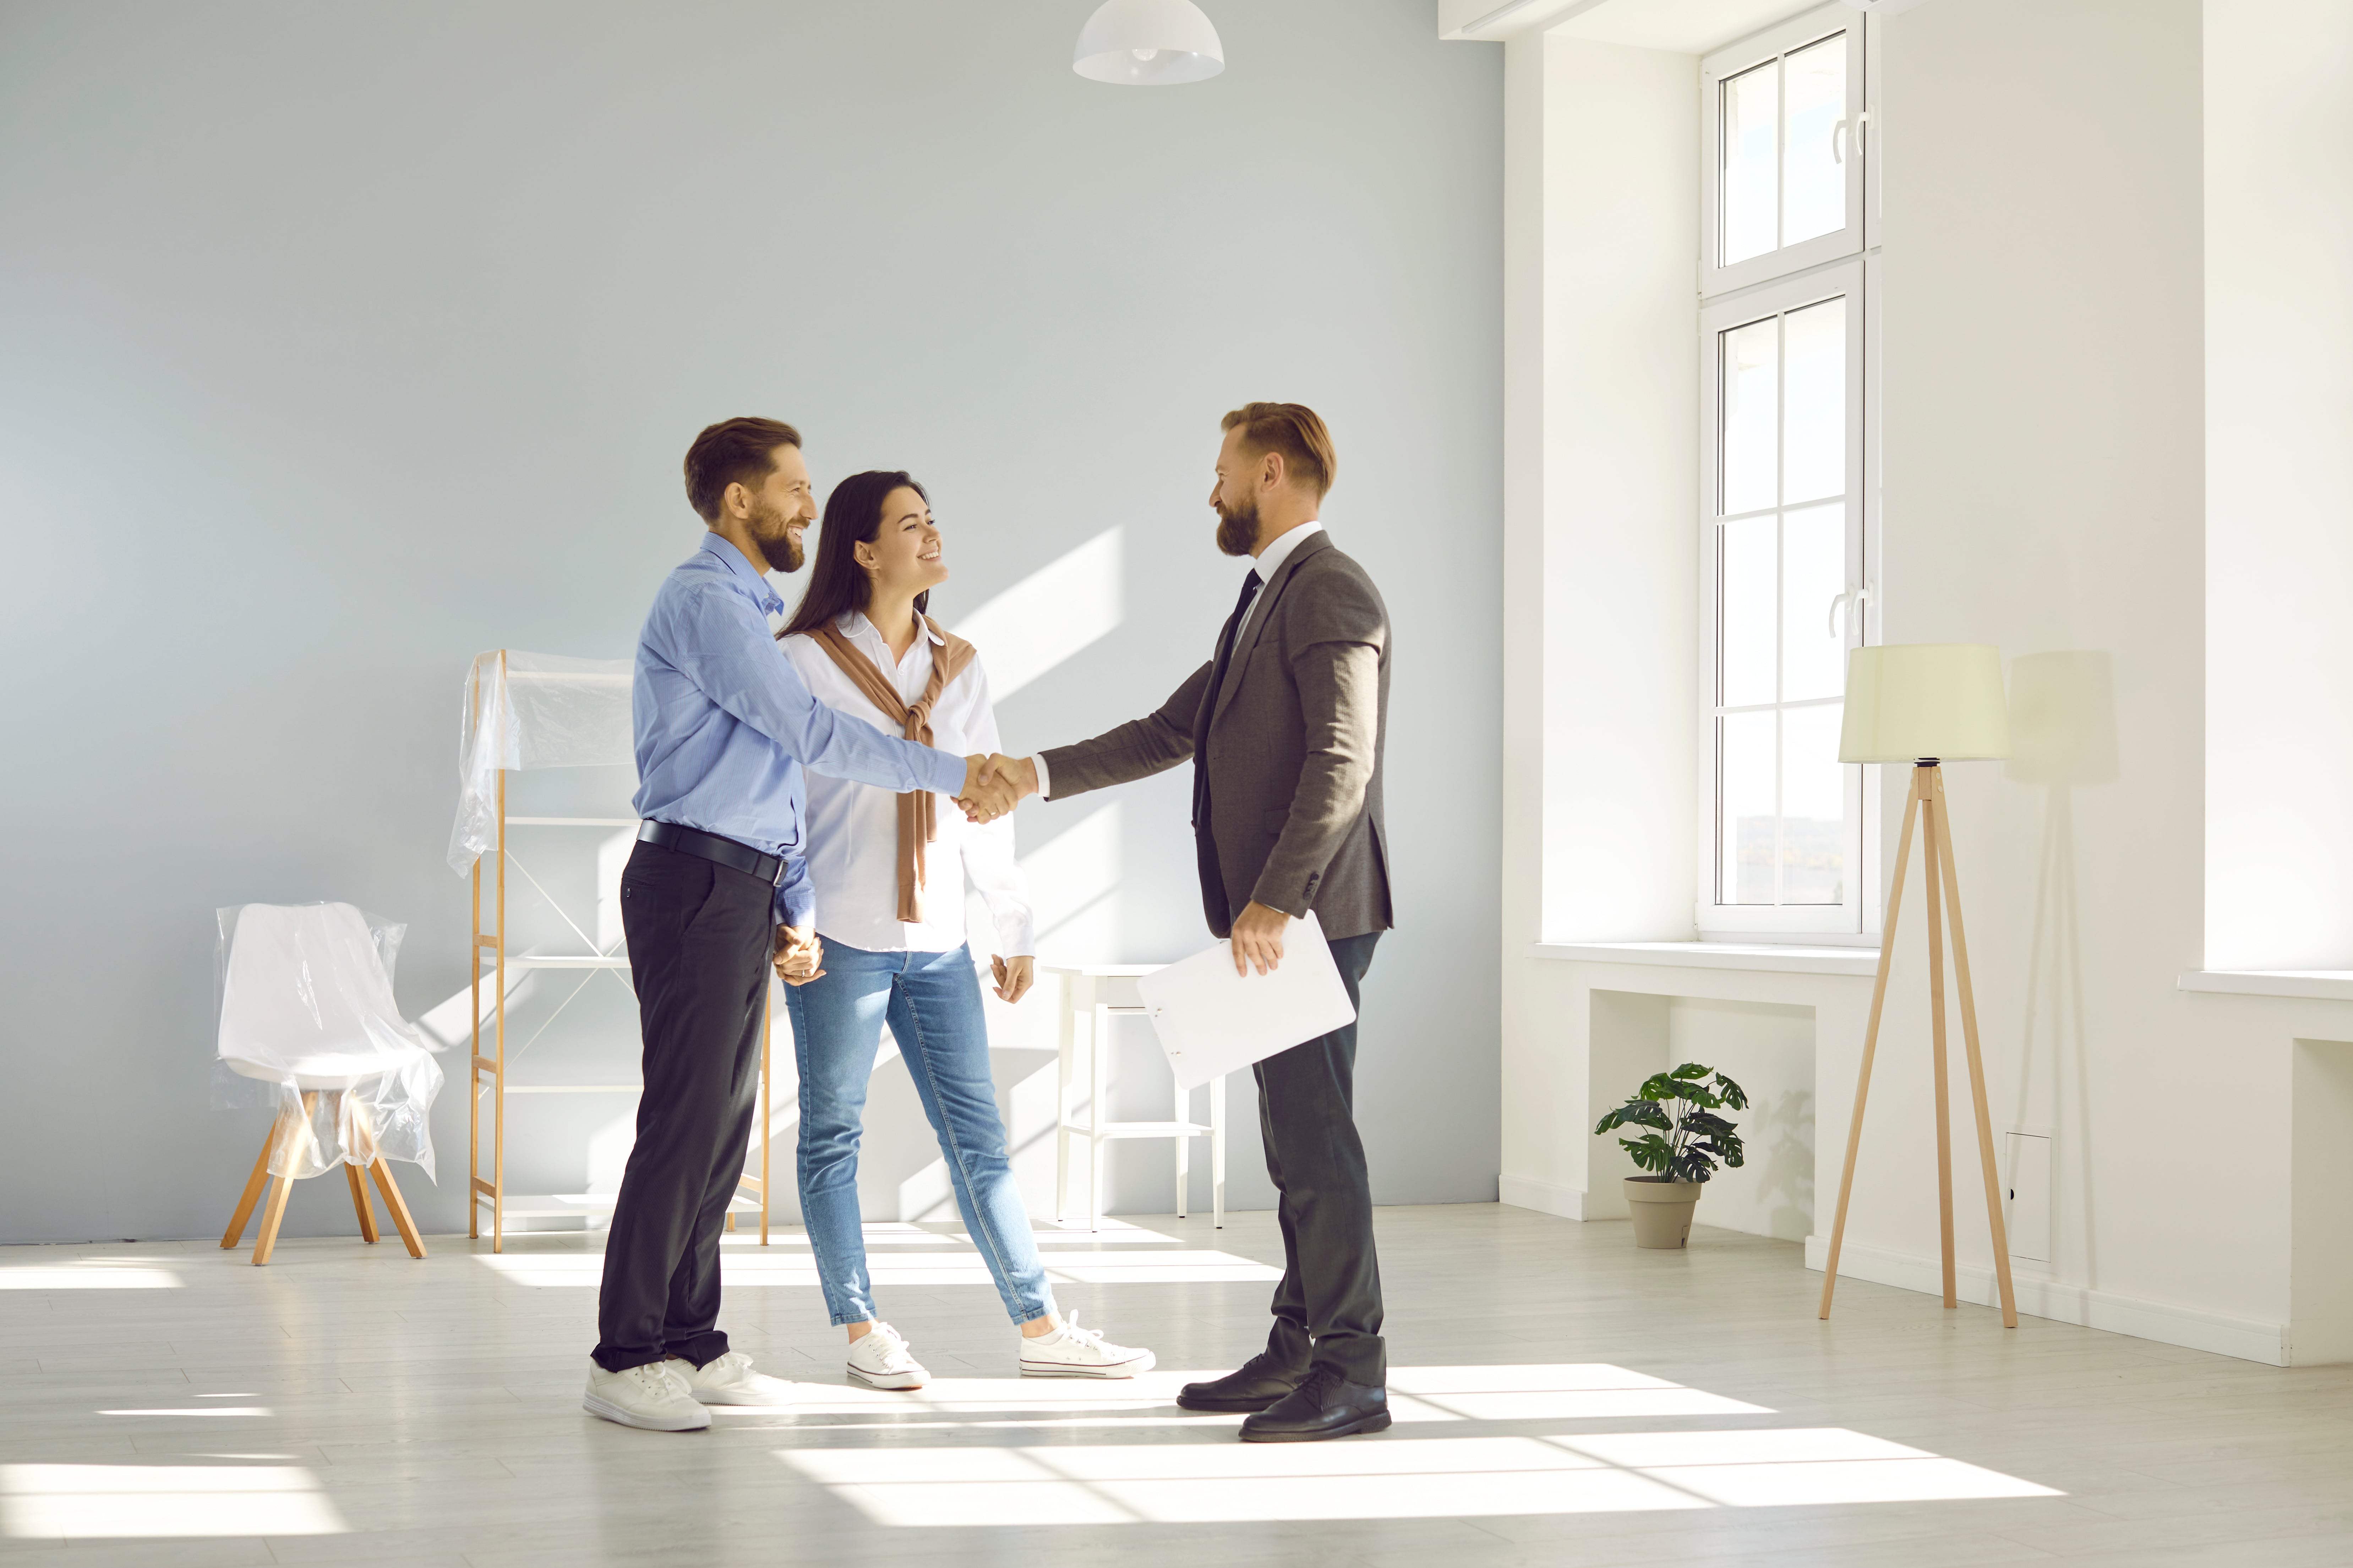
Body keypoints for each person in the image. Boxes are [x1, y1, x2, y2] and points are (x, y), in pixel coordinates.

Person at [584, 419, 1016, 1433]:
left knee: (724, 1127)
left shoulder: (743, 604)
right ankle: (623, 1353)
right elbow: (807, 734)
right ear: (739, 501)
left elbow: (772, 783)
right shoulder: (707, 602)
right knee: (684, 1123)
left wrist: (791, 902)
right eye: (794, 489)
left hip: (737, 883)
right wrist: (957, 774)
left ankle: (692, 1339)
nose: (807, 509)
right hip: (690, 877)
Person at [984, 402, 1393, 1443]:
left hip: (1307, 915)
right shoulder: (1266, 600)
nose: (1210, 491)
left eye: (1220, 472)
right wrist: (1029, 775)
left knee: (1315, 1143)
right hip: (1277, 918)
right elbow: (1172, 729)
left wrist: (1276, 896)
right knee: (1291, 1139)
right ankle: (1299, 1347)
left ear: (1268, 472)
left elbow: (1341, 760)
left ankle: (1353, 1371)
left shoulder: (1329, 588)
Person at [775, 470, 1155, 1388]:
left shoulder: (962, 665)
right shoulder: (804, 662)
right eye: (912, 524)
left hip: (938, 934)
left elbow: (986, 797)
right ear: (864, 552)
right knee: (833, 1132)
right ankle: (863, 1328)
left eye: (932, 519)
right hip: (842, 932)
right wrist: (788, 919)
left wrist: (1012, 919)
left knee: (978, 1138)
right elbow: (781, 803)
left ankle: (1040, 1323)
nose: (933, 535)